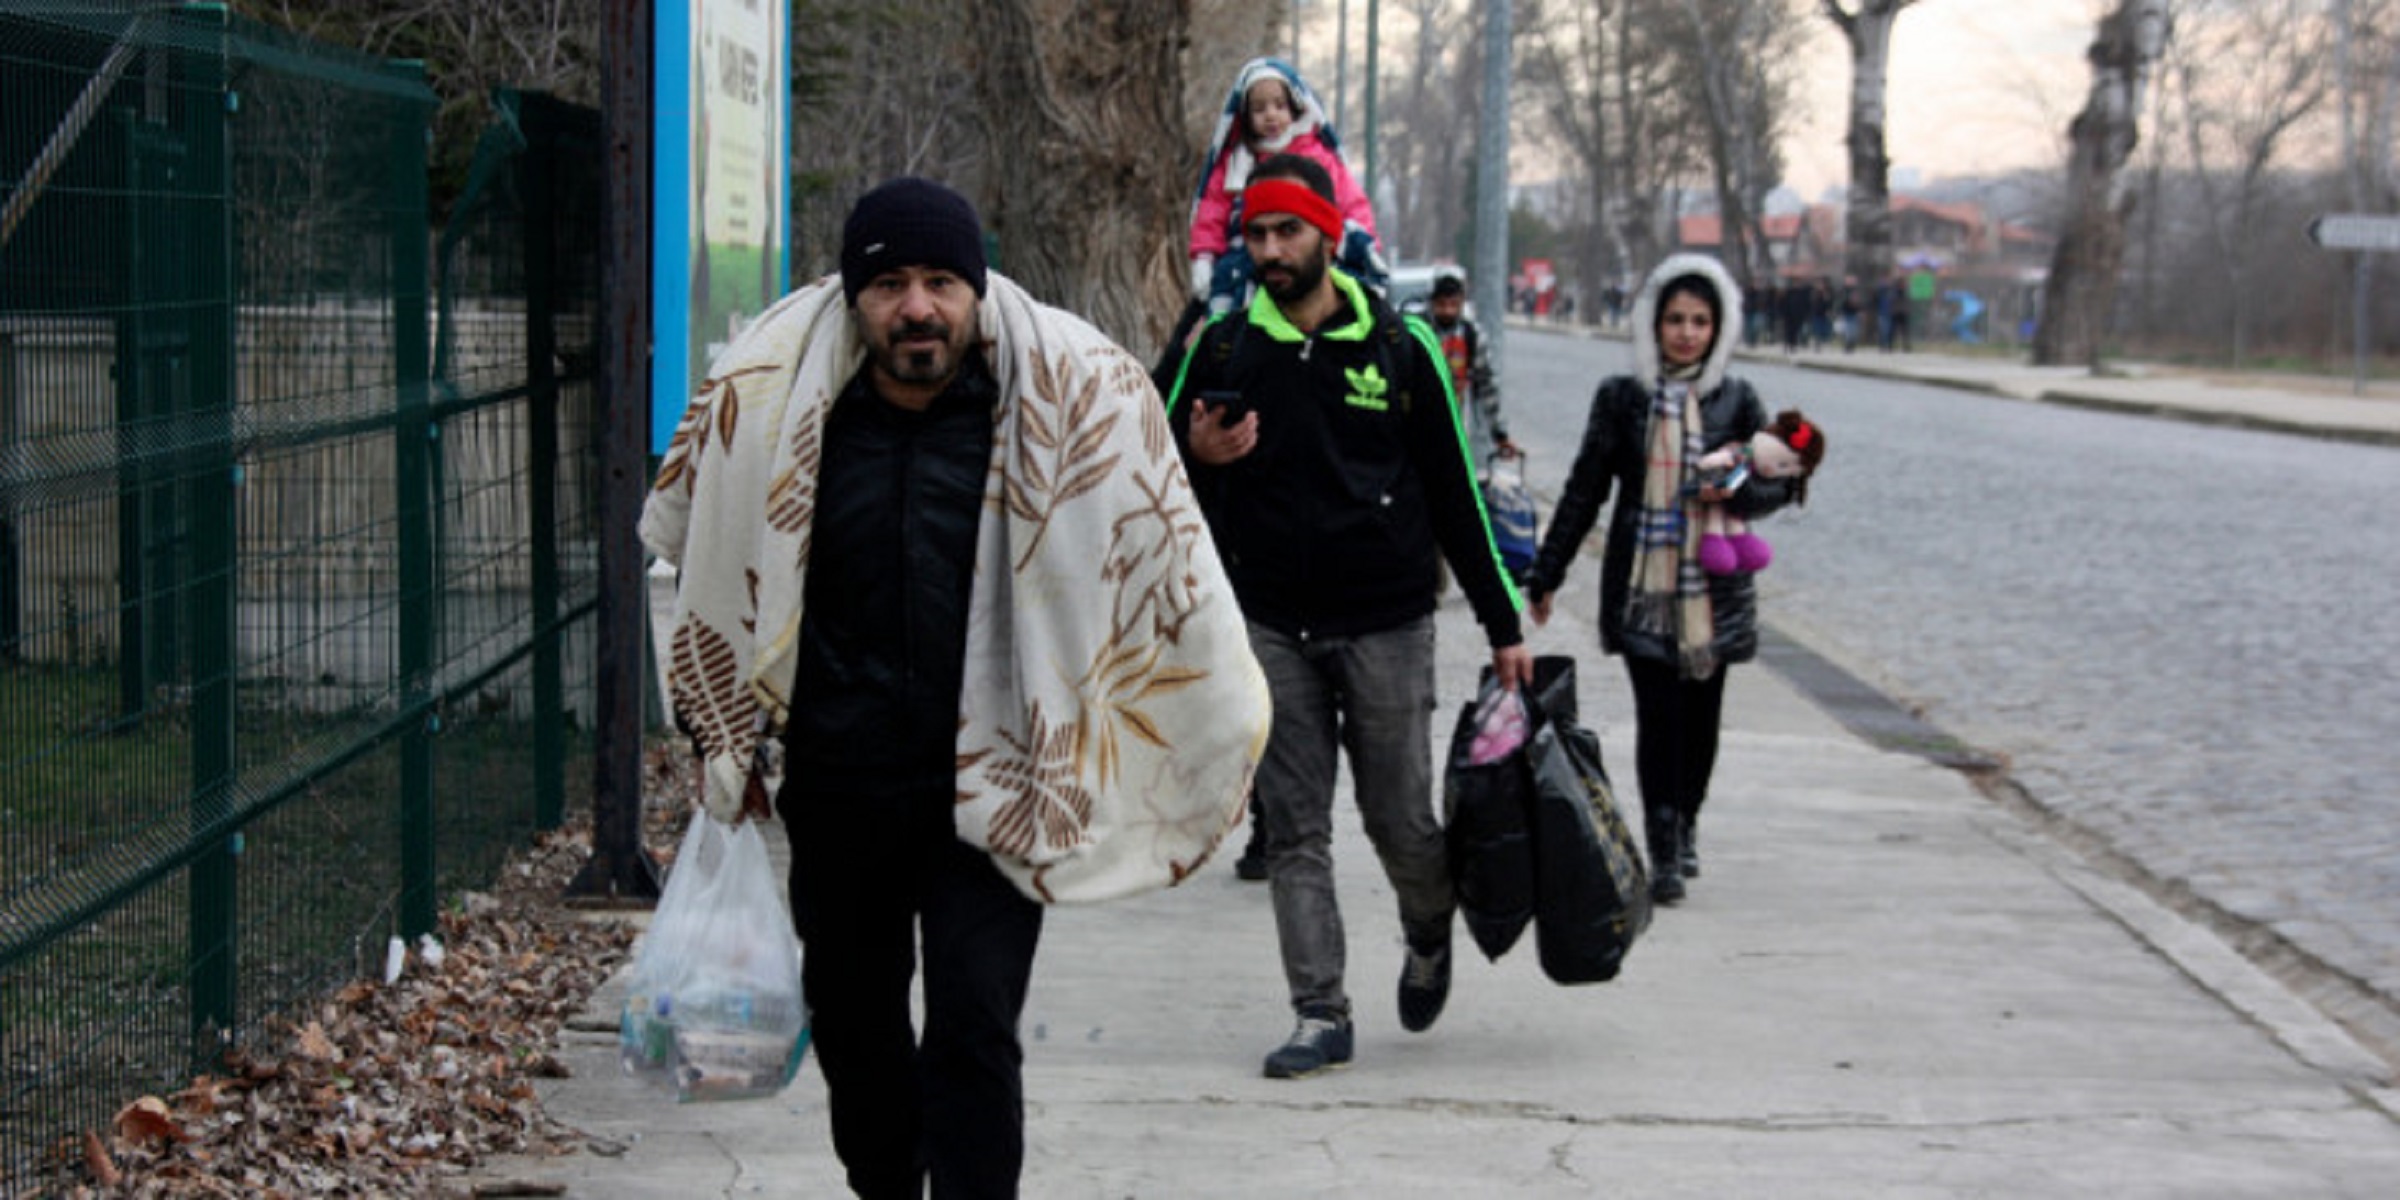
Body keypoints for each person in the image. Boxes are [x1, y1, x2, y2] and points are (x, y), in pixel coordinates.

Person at [641, 178, 1267, 1199]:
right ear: (857, 299)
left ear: (973, 290)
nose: (918, 307)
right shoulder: (788, 419)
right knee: (855, 1024)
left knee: (976, 1032)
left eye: (940, 281)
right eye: (889, 284)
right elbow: (719, 572)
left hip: (997, 783)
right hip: (841, 784)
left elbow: (1150, 552)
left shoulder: (1050, 412)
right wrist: (726, 734)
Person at [1162, 154, 1534, 1080]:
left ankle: (1426, 925)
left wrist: (1506, 623)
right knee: (1294, 825)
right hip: (1271, 628)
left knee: (1401, 818)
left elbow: (1456, 499)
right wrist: (1195, 447)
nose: (1271, 251)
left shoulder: (1399, 349)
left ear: (1328, 234)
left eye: (1288, 231)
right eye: (1255, 234)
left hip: (1388, 625)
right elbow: (1146, 468)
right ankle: (1320, 1011)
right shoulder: (1217, 345)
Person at [1520, 253, 1799, 908]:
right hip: (1644, 591)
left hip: (1716, 590)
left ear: (1718, 327)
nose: (1686, 332)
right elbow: (1586, 488)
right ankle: (1663, 839)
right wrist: (1547, 571)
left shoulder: (1739, 399)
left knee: (1701, 722)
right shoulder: (1622, 399)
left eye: (1700, 321)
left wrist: (1744, 481)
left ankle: (1689, 813)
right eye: (1675, 319)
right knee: (1660, 717)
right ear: (1653, 324)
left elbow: (1769, 489)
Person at [1187, 57, 1384, 316]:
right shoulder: (1235, 161)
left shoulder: (1318, 155)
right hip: (1241, 257)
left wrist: (1365, 243)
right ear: (1246, 116)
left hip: (1318, 258)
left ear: (1295, 106)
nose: (1270, 115)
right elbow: (1212, 210)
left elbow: (1351, 201)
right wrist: (1204, 257)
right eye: (1259, 109)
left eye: (1279, 105)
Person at [1424, 273, 1515, 475]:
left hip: (1457, 430)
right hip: (1418, 430)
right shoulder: (1419, 333)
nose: (1448, 311)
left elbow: (1487, 387)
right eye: (1441, 304)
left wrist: (1500, 433)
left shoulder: (1471, 336)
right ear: (1432, 303)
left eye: (1453, 304)